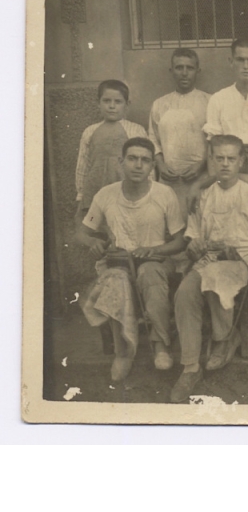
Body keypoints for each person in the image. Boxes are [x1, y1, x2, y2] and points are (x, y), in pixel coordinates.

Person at [170, 135, 248, 403]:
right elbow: (193, 236)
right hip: (209, 258)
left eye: (231, 158)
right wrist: (194, 246)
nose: (225, 164)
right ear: (211, 160)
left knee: (217, 277)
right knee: (185, 291)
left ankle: (224, 338)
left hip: (245, 259)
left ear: (242, 160)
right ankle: (191, 366)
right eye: (219, 158)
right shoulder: (202, 197)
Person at [76, 138, 185, 381]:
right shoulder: (106, 194)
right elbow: (82, 232)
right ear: (121, 162)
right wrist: (94, 243)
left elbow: (180, 241)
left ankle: (160, 345)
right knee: (116, 279)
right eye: (132, 159)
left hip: (155, 260)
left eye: (145, 160)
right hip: (118, 263)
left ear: (151, 167)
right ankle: (124, 352)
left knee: (149, 273)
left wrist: (154, 249)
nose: (138, 165)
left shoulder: (164, 194)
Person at [148, 48, 210, 219]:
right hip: (169, 180)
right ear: (171, 70)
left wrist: (201, 164)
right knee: (170, 227)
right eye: (179, 67)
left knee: (197, 228)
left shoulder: (210, 102)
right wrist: (160, 164)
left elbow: (216, 141)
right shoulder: (159, 104)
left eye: (189, 68)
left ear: (197, 71)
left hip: (199, 179)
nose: (184, 73)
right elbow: (152, 139)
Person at [203, 38, 248, 178]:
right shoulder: (218, 99)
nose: (245, 66)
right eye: (240, 60)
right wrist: (214, 178)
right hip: (229, 162)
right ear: (231, 62)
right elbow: (213, 144)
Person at [74, 80, 148, 219]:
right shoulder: (90, 131)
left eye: (118, 102)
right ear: (98, 103)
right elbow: (83, 165)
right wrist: (81, 195)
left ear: (127, 105)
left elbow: (146, 163)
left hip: (127, 190)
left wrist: (147, 191)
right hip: (96, 190)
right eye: (106, 101)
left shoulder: (136, 130)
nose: (112, 106)